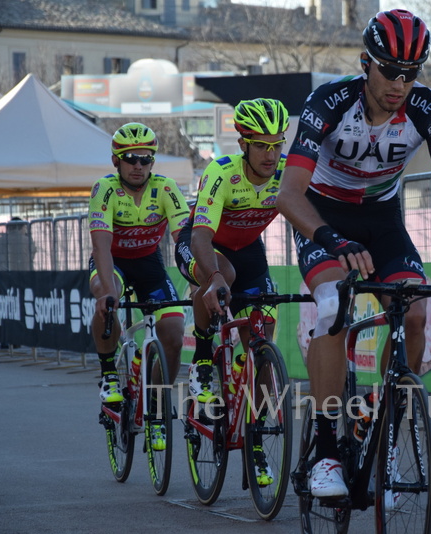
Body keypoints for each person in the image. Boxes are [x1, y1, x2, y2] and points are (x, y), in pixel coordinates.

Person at [276, 9, 431, 498]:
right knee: (333, 305)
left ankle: (378, 416)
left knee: (413, 313)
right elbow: (287, 194)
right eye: (389, 70)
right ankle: (325, 449)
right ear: (366, 62)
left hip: (381, 219)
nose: (400, 83)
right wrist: (330, 239)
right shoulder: (329, 101)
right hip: (322, 215)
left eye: (411, 73)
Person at [174, 97, 289, 487]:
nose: (271, 154)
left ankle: (255, 440)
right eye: (261, 145)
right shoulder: (221, 173)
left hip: (247, 249)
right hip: (202, 245)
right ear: (243, 144)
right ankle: (204, 358)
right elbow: (202, 235)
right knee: (223, 274)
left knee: (262, 334)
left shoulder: (287, 173)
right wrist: (216, 279)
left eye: (277, 144)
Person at [88, 122, 190, 451]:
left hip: (148, 264)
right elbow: (101, 247)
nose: (138, 165)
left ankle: (158, 407)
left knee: (173, 331)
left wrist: (201, 274)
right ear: (116, 161)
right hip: (112, 262)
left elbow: (183, 238)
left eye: (146, 159)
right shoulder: (103, 188)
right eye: (130, 158)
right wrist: (108, 292)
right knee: (107, 299)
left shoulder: (166, 187)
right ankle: (108, 374)